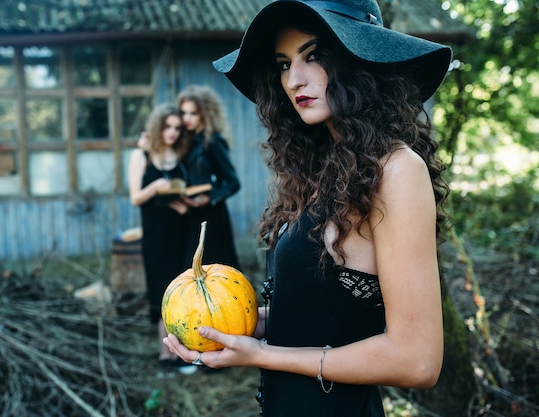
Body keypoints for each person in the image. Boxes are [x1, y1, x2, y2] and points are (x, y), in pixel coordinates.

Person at [164, 0, 452, 414]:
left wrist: (261, 355)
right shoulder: (322, 170)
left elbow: (417, 361)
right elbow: (319, 314)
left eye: (314, 56)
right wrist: (218, 324)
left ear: (360, 61)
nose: (295, 79)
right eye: (283, 64)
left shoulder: (397, 171)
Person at [128, 103, 196, 375]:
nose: (172, 132)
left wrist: (182, 203)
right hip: (157, 236)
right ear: (157, 126)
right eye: (167, 127)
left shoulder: (180, 154)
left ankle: (182, 353)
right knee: (162, 293)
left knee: (183, 291)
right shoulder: (142, 154)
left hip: (182, 231)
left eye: (177, 128)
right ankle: (164, 355)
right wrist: (156, 187)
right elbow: (135, 198)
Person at [177, 85, 241, 270]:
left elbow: (233, 182)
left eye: (193, 113)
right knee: (190, 270)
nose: (186, 118)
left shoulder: (213, 141)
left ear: (205, 114)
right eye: (183, 112)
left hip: (211, 215)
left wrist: (210, 198)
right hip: (189, 214)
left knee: (214, 269)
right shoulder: (185, 141)